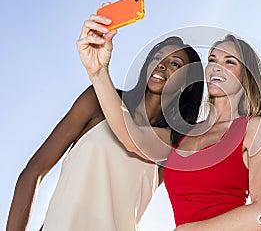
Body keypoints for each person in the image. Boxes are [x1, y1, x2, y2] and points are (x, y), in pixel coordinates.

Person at [78, 12, 261, 230]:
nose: (216, 67)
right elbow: (132, 137)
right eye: (213, 60)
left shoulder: (254, 128)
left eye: (229, 62)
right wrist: (98, 72)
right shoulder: (181, 134)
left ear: (246, 75)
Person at [6, 16, 204, 230]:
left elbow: (134, 141)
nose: (162, 65)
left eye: (175, 64)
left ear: (189, 84)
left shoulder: (172, 144)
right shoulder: (96, 101)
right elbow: (32, 173)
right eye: (157, 57)